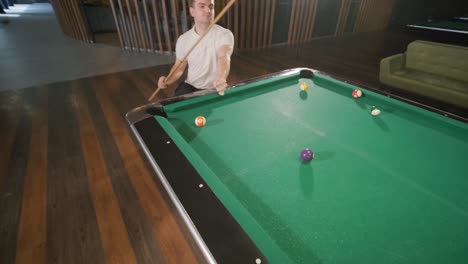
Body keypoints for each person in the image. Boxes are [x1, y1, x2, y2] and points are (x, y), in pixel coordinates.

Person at [157, 0, 234, 96]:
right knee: (175, 106)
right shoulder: (183, 39)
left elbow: (224, 57)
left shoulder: (225, 34)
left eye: (211, 7)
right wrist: (167, 80)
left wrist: (222, 77)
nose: (208, 10)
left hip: (216, 86)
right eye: (202, 6)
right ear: (192, 11)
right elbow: (179, 67)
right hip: (191, 86)